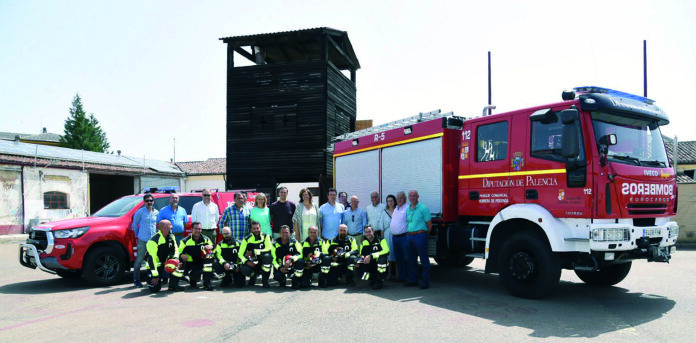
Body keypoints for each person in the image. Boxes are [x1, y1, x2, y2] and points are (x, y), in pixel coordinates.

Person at [145, 219, 184, 292]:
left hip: (165, 263)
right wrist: (155, 275)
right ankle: (154, 279)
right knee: (155, 289)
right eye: (170, 226)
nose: (172, 228)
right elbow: (151, 259)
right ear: (164, 228)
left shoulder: (171, 236)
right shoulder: (153, 241)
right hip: (154, 266)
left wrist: (175, 259)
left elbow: (175, 249)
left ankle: (173, 285)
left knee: (180, 261)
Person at [405, 190, 432, 289]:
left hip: (420, 235)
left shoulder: (423, 208)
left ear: (418, 196)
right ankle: (413, 280)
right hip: (410, 236)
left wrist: (424, 235)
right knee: (411, 260)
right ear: (409, 197)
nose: (412, 197)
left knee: (424, 259)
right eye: (410, 196)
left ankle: (425, 282)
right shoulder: (408, 209)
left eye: (414, 196)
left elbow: (429, 225)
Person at [132, 193, 159, 287]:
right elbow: (135, 224)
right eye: (147, 201)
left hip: (153, 241)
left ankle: (151, 279)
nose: (149, 202)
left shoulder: (157, 212)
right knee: (139, 260)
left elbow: (158, 226)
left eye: (151, 200)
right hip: (143, 240)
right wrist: (137, 234)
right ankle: (136, 280)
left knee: (153, 260)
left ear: (153, 201)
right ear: (144, 202)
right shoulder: (140, 212)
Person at [178, 222, 215, 290]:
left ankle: (207, 283)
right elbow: (179, 252)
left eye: (199, 229)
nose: (198, 231)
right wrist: (181, 255)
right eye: (196, 229)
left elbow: (213, 247)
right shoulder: (185, 241)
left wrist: (211, 247)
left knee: (209, 257)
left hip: (202, 261)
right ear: (191, 229)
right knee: (195, 276)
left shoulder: (206, 239)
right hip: (191, 264)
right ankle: (192, 278)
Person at [238, 221, 273, 288]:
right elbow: (240, 254)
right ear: (251, 230)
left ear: (260, 228)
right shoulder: (246, 239)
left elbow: (269, 248)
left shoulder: (266, 236)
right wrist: (247, 262)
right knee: (244, 269)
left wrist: (255, 251)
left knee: (268, 256)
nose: (256, 230)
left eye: (257, 228)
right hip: (252, 262)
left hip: (262, 261)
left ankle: (265, 280)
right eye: (254, 228)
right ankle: (253, 276)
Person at [354, 225, 390, 290]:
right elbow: (361, 254)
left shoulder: (381, 240)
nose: (368, 234)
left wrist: (371, 256)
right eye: (366, 232)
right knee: (355, 270)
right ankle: (373, 279)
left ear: (373, 231)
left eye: (369, 231)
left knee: (382, 258)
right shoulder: (364, 242)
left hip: (379, 263)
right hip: (369, 264)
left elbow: (386, 251)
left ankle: (380, 281)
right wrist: (358, 262)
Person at [271, 225, 305, 289]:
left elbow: (300, 254)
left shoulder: (294, 242)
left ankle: (295, 281)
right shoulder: (275, 244)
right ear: (280, 233)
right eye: (283, 232)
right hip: (281, 267)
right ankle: (282, 280)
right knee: (277, 276)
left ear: (289, 233)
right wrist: (280, 268)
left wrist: (291, 260)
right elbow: (273, 259)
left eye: (286, 232)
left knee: (301, 261)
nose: (285, 234)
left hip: (292, 266)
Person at [390, 192, 409, 282]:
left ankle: (410, 278)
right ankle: (402, 277)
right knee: (399, 259)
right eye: (398, 198)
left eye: (401, 198)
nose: (399, 200)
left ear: (405, 199)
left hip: (404, 237)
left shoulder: (407, 208)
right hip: (395, 238)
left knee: (407, 258)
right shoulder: (396, 208)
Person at [382, 194, 397, 280]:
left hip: (397, 234)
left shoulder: (398, 210)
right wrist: (382, 240)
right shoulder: (385, 212)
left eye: (391, 201)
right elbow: (382, 227)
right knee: (389, 255)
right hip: (387, 235)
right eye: (388, 201)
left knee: (397, 254)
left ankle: (399, 274)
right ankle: (390, 274)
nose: (390, 202)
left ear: (394, 201)